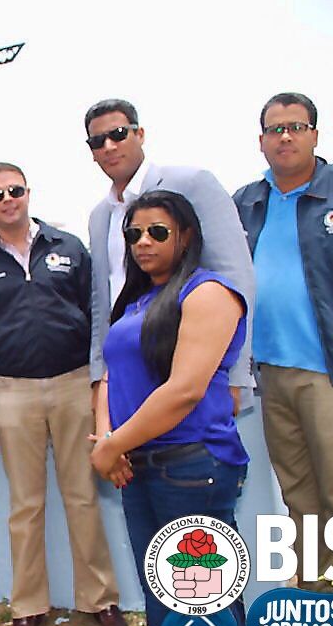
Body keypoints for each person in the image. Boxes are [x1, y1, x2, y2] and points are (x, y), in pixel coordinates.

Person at [0, 162, 127, 626]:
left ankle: (101, 599)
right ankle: (28, 607)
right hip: (12, 392)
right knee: (25, 506)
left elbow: (97, 316)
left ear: (28, 192)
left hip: (73, 384)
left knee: (82, 496)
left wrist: (100, 383)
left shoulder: (67, 248)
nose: (7, 199)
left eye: (14, 190)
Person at [91, 190, 249, 626]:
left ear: (186, 237)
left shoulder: (208, 292)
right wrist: (108, 439)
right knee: (159, 587)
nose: (143, 242)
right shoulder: (137, 301)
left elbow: (184, 391)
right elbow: (110, 376)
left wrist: (112, 445)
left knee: (202, 594)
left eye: (157, 232)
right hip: (138, 462)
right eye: (134, 233)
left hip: (191, 463)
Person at [233, 92, 333, 587]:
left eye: (296, 127)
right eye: (275, 129)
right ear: (261, 141)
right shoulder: (246, 204)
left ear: (315, 134)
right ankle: (316, 597)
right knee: (298, 496)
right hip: (272, 376)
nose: (286, 137)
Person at [84, 98, 255, 419]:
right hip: (127, 375)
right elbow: (102, 302)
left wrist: (236, 375)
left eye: (118, 134)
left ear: (140, 134)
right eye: (97, 141)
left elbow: (235, 278)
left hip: (193, 368)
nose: (109, 146)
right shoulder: (100, 216)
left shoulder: (192, 183)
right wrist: (100, 377)